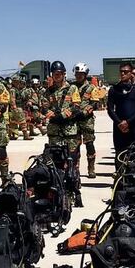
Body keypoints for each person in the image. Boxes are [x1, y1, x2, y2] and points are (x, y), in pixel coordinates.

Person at [41, 60, 82, 205]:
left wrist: (61, 115)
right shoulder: (48, 91)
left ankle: (73, 192)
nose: (57, 76)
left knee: (72, 162)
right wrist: (48, 113)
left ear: (64, 74)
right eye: (54, 74)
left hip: (69, 131)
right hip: (54, 132)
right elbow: (43, 107)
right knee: (55, 163)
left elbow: (77, 107)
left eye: (59, 74)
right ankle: (58, 191)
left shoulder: (72, 89)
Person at [107, 61, 135, 158]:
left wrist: (128, 122)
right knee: (120, 153)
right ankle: (120, 173)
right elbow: (110, 109)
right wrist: (119, 123)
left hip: (134, 126)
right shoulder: (113, 90)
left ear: (131, 74)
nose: (122, 74)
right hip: (119, 127)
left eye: (125, 72)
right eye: (121, 71)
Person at [73, 63, 99, 178]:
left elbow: (94, 103)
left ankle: (91, 168)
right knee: (75, 145)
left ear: (85, 74)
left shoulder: (91, 88)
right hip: (74, 120)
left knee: (89, 144)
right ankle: (75, 169)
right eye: (77, 74)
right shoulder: (71, 87)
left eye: (81, 74)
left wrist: (84, 112)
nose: (79, 76)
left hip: (87, 120)